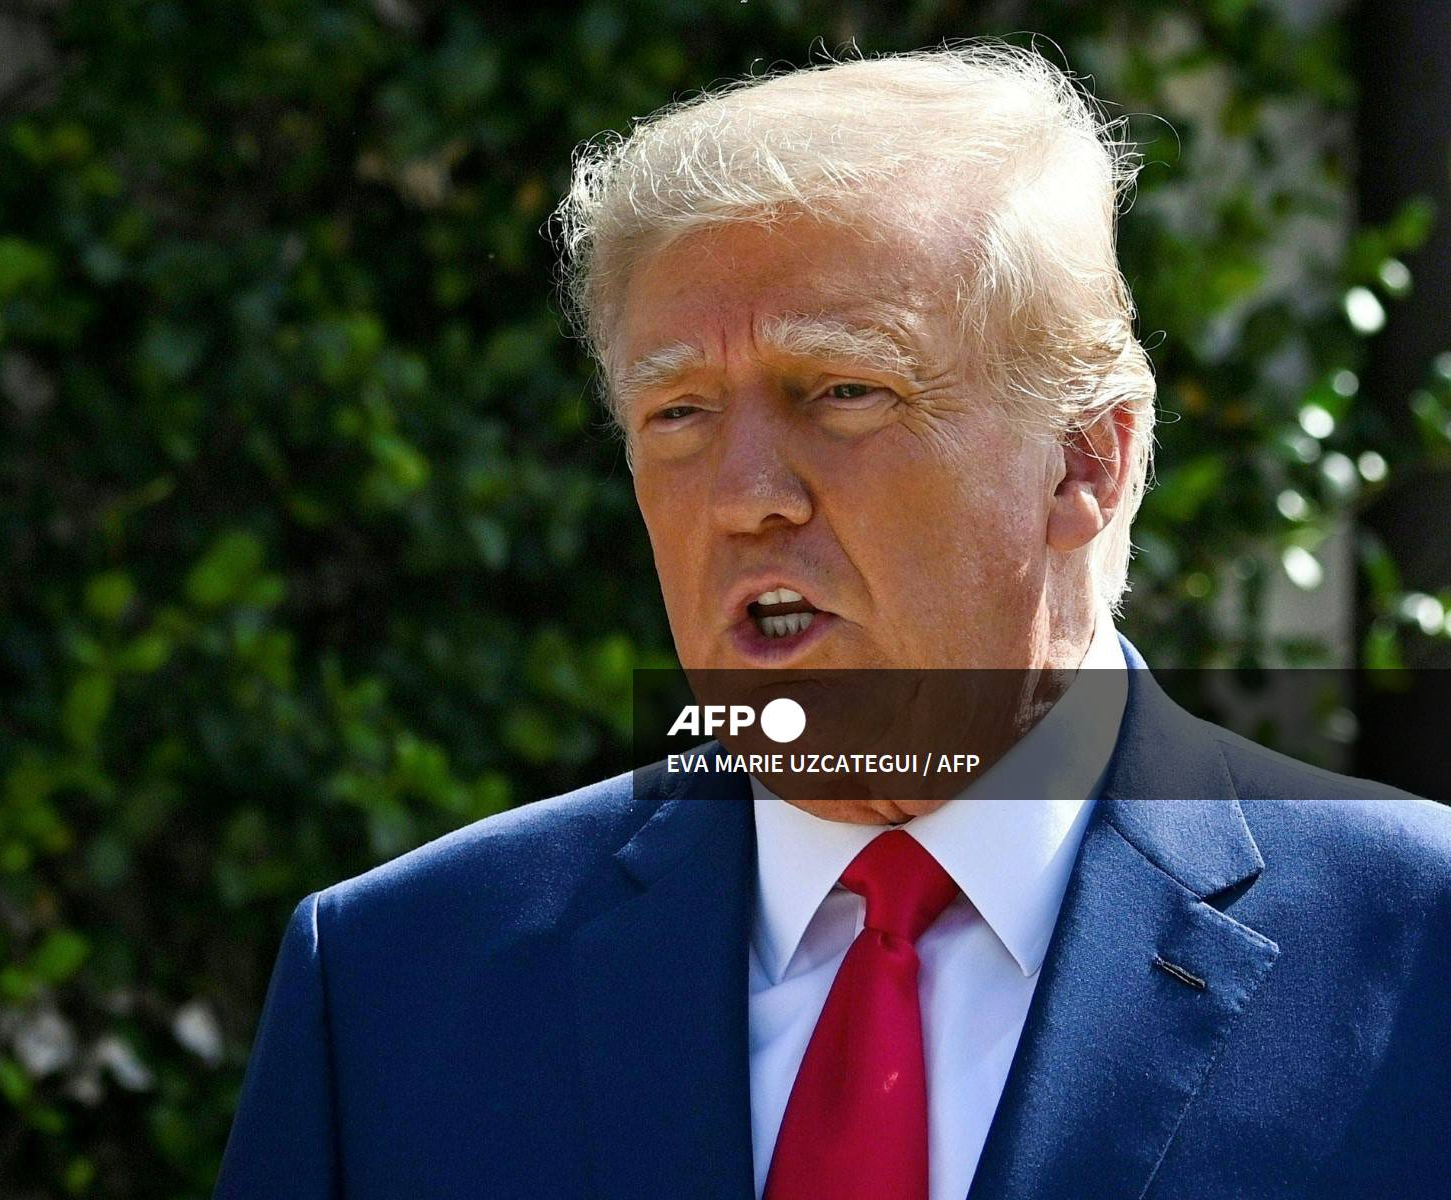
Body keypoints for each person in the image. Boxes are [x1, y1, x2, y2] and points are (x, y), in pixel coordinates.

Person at [213, 45, 1451, 1200]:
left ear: (1085, 461)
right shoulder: (393, 985)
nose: (748, 495)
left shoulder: (1418, 957)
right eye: (680, 413)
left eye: (843, 392)